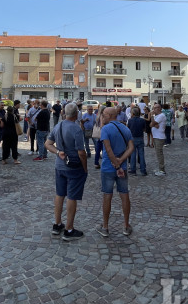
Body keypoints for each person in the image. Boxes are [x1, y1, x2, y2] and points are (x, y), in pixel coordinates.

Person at [44, 102, 87, 241]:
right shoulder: (76, 129)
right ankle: (69, 229)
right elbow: (81, 152)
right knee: (72, 196)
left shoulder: (58, 125)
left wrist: (58, 152)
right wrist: (85, 168)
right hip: (74, 167)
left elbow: (47, 144)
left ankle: (57, 224)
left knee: (59, 194)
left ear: (64, 113)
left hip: (60, 166)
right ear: (76, 114)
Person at [96, 107, 135, 237]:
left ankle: (105, 227)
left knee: (107, 195)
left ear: (110, 115)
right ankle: (126, 225)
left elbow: (107, 149)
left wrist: (115, 164)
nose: (102, 116)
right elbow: (131, 148)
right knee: (124, 195)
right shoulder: (125, 128)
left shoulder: (106, 129)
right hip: (122, 168)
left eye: (104, 114)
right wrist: (121, 161)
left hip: (108, 167)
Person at [126, 106, 147, 176]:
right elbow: (144, 129)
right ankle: (143, 170)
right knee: (141, 154)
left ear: (133, 113)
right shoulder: (142, 120)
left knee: (133, 155)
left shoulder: (130, 120)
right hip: (140, 138)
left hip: (132, 138)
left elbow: (128, 129)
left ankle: (133, 170)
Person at [150, 104, 167, 176]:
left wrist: (152, 117)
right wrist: (153, 123)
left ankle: (162, 170)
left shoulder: (161, 116)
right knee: (158, 154)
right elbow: (151, 125)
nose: (155, 109)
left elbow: (153, 123)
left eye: (156, 108)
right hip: (156, 136)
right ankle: (160, 168)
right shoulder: (157, 116)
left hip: (159, 137)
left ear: (160, 108)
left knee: (159, 154)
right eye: (154, 108)